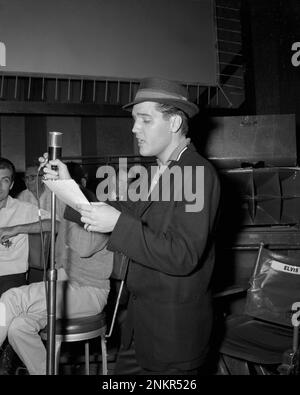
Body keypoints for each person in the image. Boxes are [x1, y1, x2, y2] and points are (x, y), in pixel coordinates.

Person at [41, 77, 221, 375]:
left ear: (175, 122)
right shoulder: (166, 171)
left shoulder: (196, 173)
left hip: (171, 341)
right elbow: (127, 211)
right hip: (141, 331)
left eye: (145, 120)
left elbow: (183, 255)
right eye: (134, 120)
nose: (134, 128)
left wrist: (119, 224)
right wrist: (66, 186)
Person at [0, 215, 113, 375]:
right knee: (18, 327)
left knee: (11, 298)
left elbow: (84, 247)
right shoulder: (71, 216)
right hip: (65, 284)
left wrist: (69, 217)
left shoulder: (99, 215)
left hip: (91, 292)